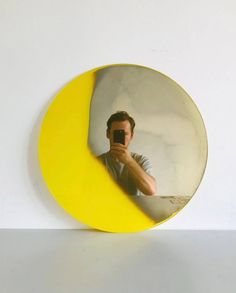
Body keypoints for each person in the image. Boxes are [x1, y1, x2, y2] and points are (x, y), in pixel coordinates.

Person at [98, 111, 156, 196]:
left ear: (131, 136)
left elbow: (151, 190)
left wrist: (129, 161)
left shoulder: (141, 161)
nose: (119, 138)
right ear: (108, 134)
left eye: (124, 134)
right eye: (116, 133)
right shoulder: (97, 162)